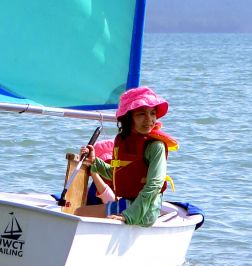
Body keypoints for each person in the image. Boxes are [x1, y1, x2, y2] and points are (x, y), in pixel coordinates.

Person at [75, 86, 178, 226]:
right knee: (80, 213)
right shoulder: (124, 141)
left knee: (80, 214)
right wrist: (94, 161)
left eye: (153, 113)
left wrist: (128, 216)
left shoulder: (155, 147)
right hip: (128, 203)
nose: (149, 120)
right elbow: (120, 175)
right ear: (129, 118)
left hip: (146, 210)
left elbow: (154, 185)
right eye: (141, 114)